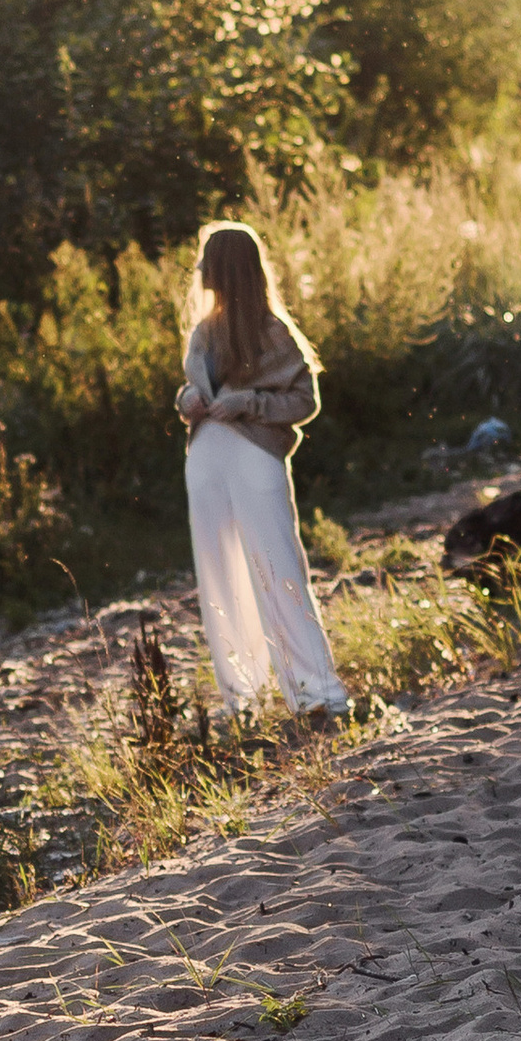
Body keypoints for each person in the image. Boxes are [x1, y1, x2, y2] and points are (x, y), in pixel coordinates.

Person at [175, 219, 349, 721]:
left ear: (228, 266)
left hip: (255, 458)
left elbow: (304, 400)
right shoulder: (203, 331)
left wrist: (249, 402)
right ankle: (243, 700)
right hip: (205, 459)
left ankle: (318, 691)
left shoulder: (274, 332)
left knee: (278, 570)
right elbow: (194, 388)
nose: (200, 266)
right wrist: (185, 399)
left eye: (208, 257)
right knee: (218, 577)